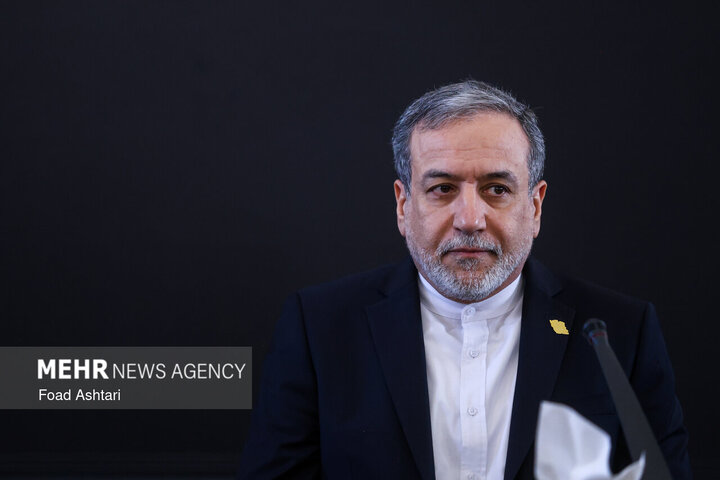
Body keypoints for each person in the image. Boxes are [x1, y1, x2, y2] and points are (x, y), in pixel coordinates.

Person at [238, 80, 691, 479]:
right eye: (442, 189)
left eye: (497, 189)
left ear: (534, 207)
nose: (470, 219)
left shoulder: (621, 335)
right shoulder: (319, 328)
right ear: (403, 205)